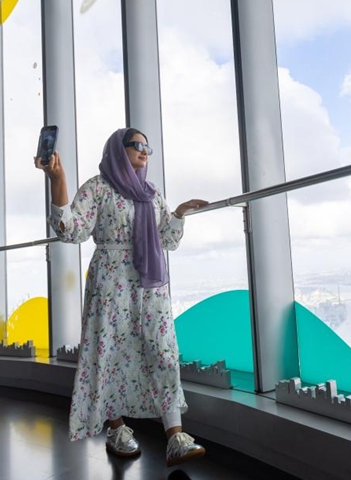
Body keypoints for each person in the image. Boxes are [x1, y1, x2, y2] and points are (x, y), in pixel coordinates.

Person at [36, 127, 209, 467]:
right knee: (109, 353)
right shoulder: (98, 188)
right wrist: (58, 179)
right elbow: (70, 230)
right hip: (111, 281)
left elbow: (167, 242)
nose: (145, 151)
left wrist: (178, 213)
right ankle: (117, 428)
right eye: (137, 145)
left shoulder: (150, 193)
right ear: (118, 149)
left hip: (151, 286)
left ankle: (175, 435)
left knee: (162, 352)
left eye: (148, 147)